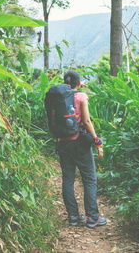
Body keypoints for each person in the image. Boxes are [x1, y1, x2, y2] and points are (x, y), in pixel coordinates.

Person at [57, 70, 107, 228]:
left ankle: (73, 216)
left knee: (68, 179)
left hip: (62, 143)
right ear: (79, 83)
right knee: (90, 180)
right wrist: (97, 140)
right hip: (79, 143)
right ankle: (92, 217)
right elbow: (86, 120)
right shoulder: (81, 96)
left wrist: (76, 87)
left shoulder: (58, 95)